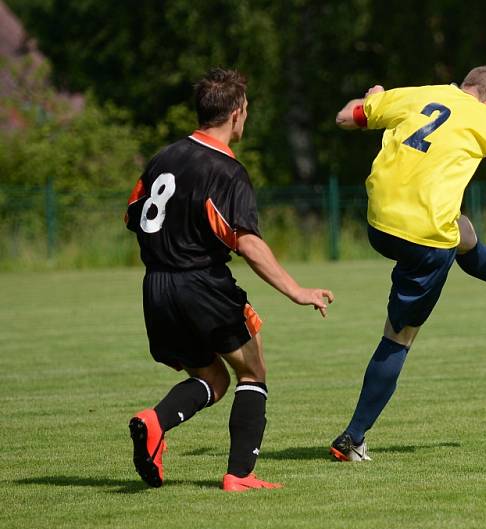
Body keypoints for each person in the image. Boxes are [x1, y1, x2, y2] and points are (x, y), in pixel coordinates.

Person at [329, 65, 486, 461]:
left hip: (379, 224)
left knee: (462, 233)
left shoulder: (421, 93)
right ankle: (353, 438)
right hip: (425, 239)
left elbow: (346, 117)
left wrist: (372, 98)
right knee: (398, 337)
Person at [125, 68, 334, 491]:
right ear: (237, 113)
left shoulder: (163, 157)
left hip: (156, 287)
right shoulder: (226, 170)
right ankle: (240, 475)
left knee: (212, 378)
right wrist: (297, 291)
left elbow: (134, 216)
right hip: (201, 284)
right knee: (253, 373)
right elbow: (247, 243)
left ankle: (154, 422)